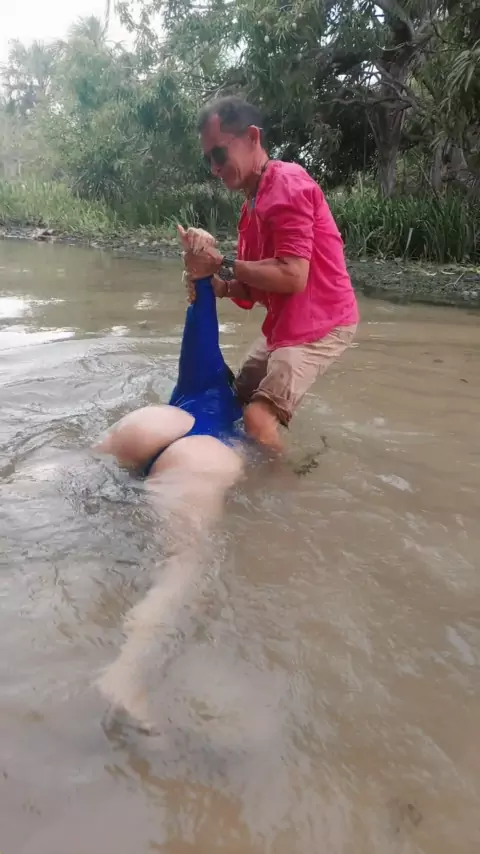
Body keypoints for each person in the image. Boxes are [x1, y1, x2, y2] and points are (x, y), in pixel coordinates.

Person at [94, 272, 244, 727]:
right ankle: (124, 672)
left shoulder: (198, 383)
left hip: (152, 425)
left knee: (69, 473)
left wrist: (200, 278)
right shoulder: (247, 414)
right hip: (199, 456)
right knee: (182, 567)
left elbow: (201, 328)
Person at [181, 95, 359, 454]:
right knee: (239, 394)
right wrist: (217, 285)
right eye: (207, 159)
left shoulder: (287, 185)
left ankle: (284, 484)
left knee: (257, 420)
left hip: (321, 325)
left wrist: (221, 263)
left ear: (252, 138)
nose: (214, 169)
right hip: (286, 324)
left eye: (219, 154)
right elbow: (253, 289)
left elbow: (292, 276)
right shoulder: (252, 205)